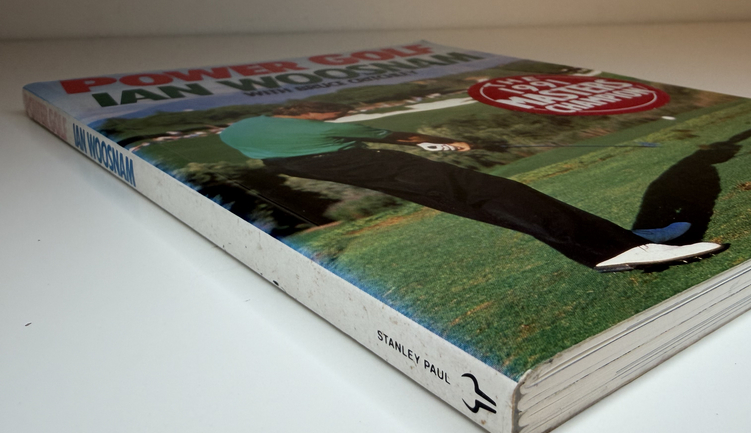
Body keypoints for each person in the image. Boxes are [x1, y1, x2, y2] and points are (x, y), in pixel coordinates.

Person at [219, 102, 722, 272]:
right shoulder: (315, 127)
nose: (335, 114)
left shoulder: (244, 131)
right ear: (303, 114)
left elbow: (258, 142)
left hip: (358, 170)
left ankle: (623, 244)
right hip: (382, 164)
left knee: (495, 206)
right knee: (511, 199)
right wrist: (443, 142)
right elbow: (394, 135)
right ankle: (618, 250)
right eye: (328, 113)